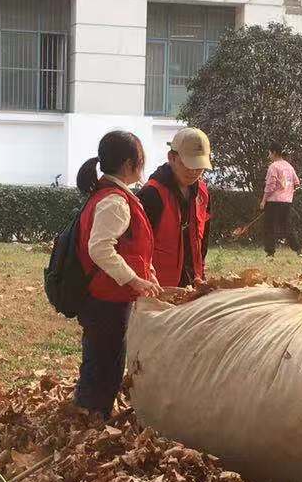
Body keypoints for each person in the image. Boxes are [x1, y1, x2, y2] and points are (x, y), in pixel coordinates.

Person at [74, 131, 161, 418]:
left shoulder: (111, 195)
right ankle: (92, 419)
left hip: (104, 296)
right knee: (105, 364)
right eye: (140, 160)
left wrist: (147, 272)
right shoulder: (115, 202)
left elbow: (130, 246)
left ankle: (90, 414)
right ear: (128, 164)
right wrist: (133, 279)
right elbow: (100, 248)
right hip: (107, 298)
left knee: (101, 359)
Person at [139, 128, 212, 289]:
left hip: (194, 280)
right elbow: (138, 247)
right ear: (171, 158)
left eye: (199, 166)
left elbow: (203, 238)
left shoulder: (202, 192)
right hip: (159, 286)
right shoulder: (151, 194)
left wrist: (200, 274)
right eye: (188, 165)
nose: (193, 172)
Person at [260, 141, 302, 257]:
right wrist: (288, 193)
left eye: (269, 153)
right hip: (287, 202)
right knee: (287, 227)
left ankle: (270, 253)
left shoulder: (273, 166)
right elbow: (297, 183)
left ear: (274, 153)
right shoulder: (289, 166)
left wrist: (263, 201)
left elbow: (270, 186)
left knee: (269, 227)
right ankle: (298, 250)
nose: (268, 155)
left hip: (273, 202)